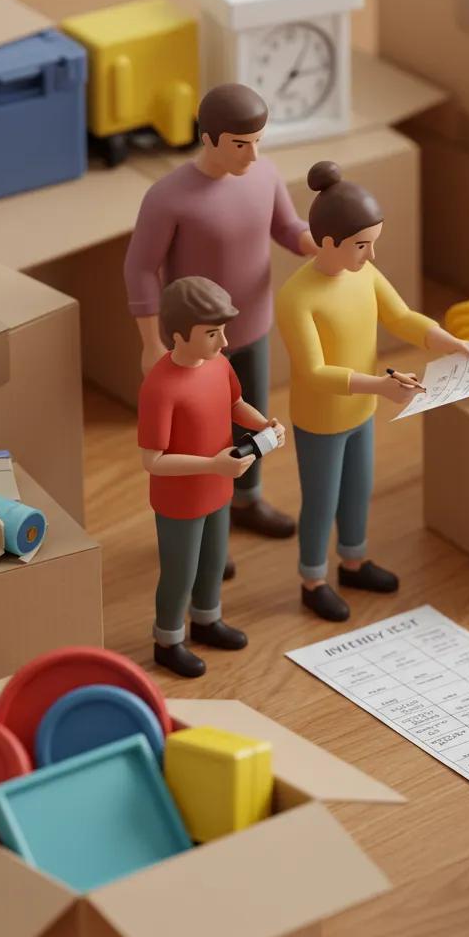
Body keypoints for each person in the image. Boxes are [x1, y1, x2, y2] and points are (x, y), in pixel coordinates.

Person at [125, 83, 314, 578]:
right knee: (200, 435)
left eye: (258, 141)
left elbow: (287, 228)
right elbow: (141, 268)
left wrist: (318, 243)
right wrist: (151, 342)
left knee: (252, 419)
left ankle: (246, 499)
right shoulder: (169, 197)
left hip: (252, 325)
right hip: (197, 346)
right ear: (209, 138)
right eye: (239, 144)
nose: (252, 154)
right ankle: (209, 524)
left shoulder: (265, 173)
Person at [277, 161, 469, 623]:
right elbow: (313, 372)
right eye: (362, 245)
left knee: (359, 489)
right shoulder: (297, 297)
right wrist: (381, 387)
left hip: (361, 409)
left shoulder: (363, 275)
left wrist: (444, 339)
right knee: (321, 501)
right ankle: (312, 578)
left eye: (373, 244)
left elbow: (400, 316)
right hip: (321, 417)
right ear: (327, 243)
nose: (371, 256)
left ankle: (354, 560)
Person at [139, 276, 286, 678]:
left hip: (218, 488)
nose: (224, 343)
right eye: (212, 333)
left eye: (223, 332)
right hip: (180, 500)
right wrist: (211, 465)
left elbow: (235, 403)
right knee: (180, 570)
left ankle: (207, 619)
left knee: (213, 561)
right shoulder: (160, 386)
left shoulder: (220, 365)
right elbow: (152, 460)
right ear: (178, 336)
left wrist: (263, 425)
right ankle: (168, 639)